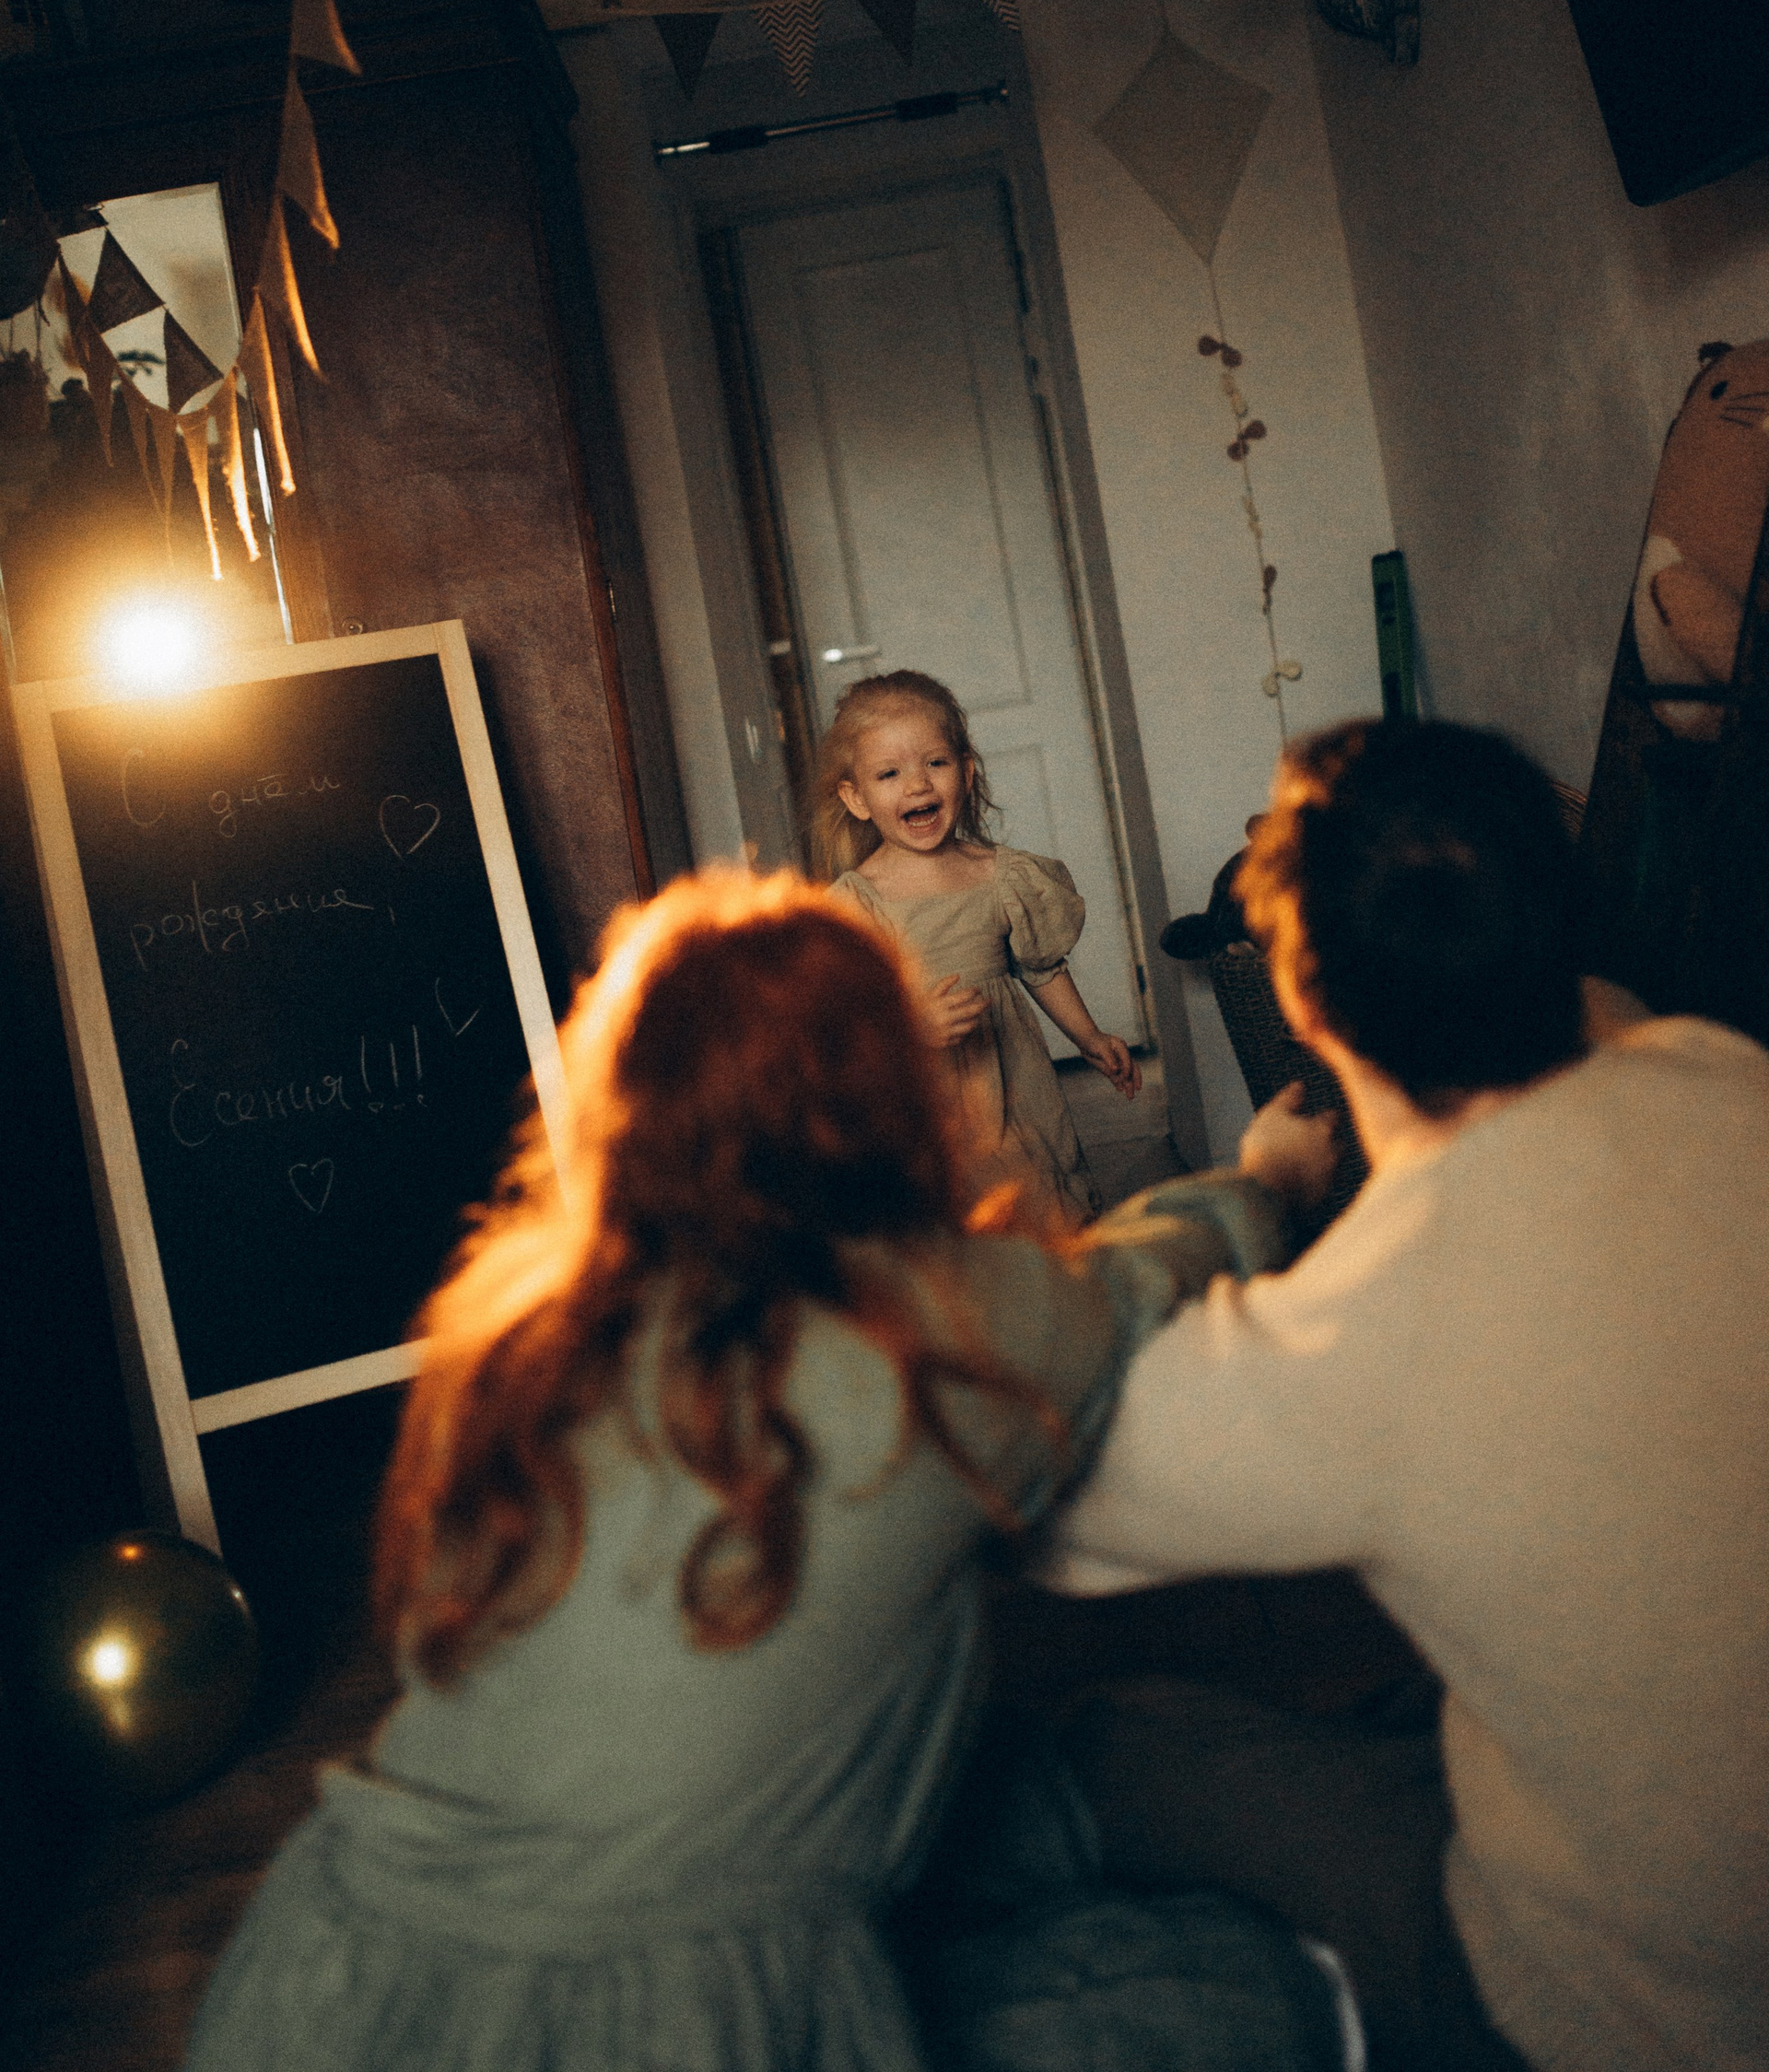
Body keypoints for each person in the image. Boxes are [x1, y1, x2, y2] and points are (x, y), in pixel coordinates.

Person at [180, 867, 1320, 2072]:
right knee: (1244, 1990)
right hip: (641, 2019)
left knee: (1023, 1812)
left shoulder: (520, 1338)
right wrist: (1266, 1180)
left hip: (320, 1971)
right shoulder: (931, 1324)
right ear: (884, 1089)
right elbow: (1138, 1279)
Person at [1042, 718, 1769, 2072]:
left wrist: (1254, 1188)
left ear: (1304, 1010)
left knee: (1112, 1743)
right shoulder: (1718, 1071)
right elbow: (1605, 1013)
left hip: (1640, 2018)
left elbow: (1038, 1470)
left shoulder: (1355, 1325)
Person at [816, 669, 1141, 1228]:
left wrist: (1088, 1036)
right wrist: (910, 1025)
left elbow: (1041, 967)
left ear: (966, 773)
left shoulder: (1000, 875)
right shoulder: (856, 902)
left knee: (1040, 1199)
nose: (917, 786)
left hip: (1014, 1080)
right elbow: (844, 1019)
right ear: (857, 798)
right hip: (923, 1095)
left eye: (935, 763)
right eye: (890, 773)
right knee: (955, 1215)